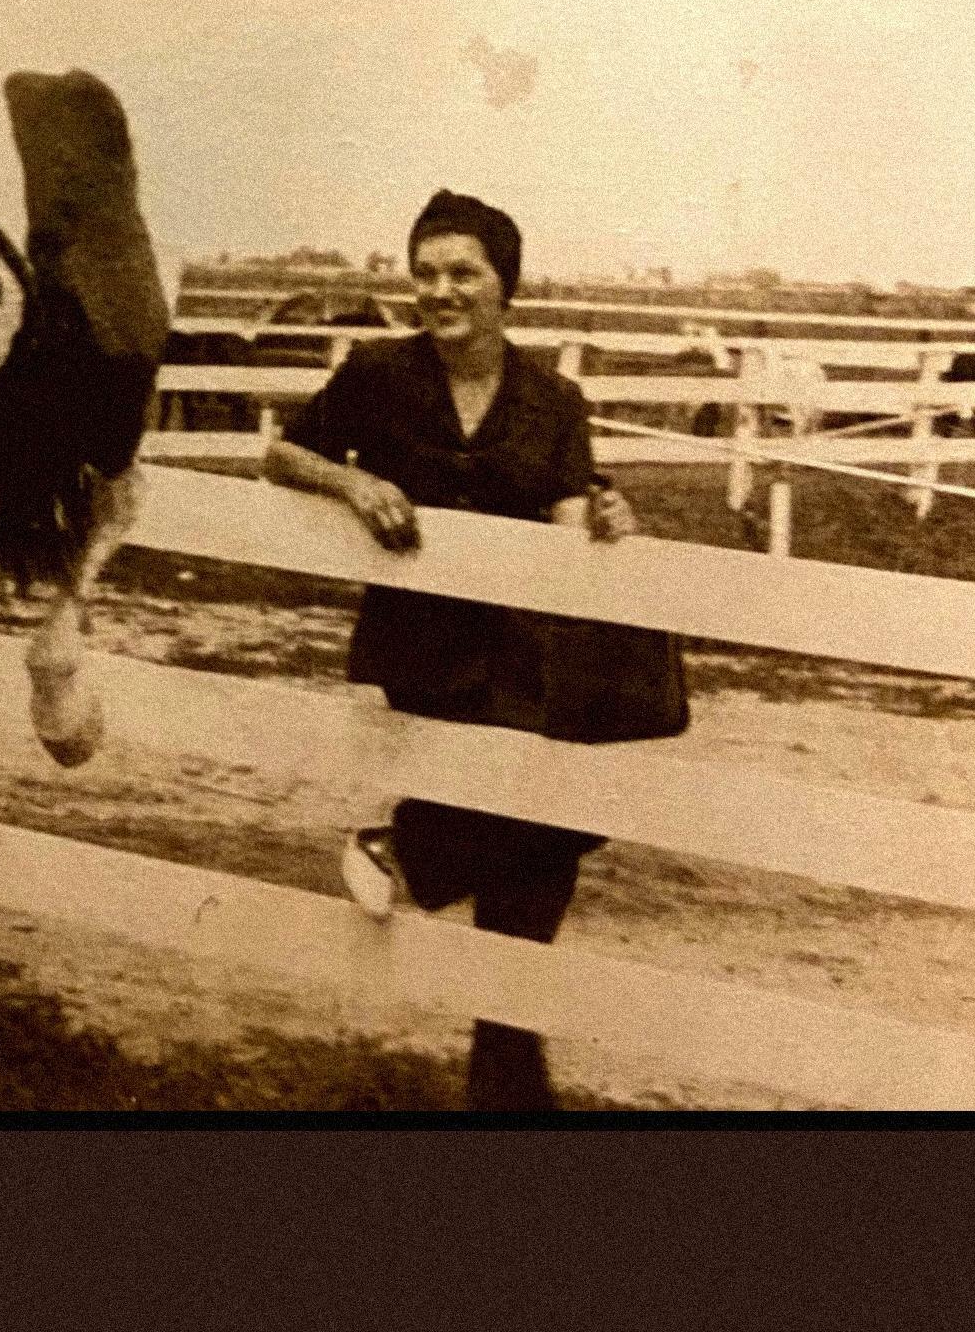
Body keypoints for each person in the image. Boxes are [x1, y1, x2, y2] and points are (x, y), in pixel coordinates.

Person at [263, 187, 683, 1110]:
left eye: (463, 272)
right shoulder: (378, 373)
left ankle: (417, 871)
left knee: (553, 823)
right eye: (426, 273)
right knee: (548, 818)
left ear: (505, 286)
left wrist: (608, 518)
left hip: (521, 651)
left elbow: (569, 518)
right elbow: (284, 455)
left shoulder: (554, 398)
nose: (440, 291)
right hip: (420, 648)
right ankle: (506, 1059)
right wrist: (353, 487)